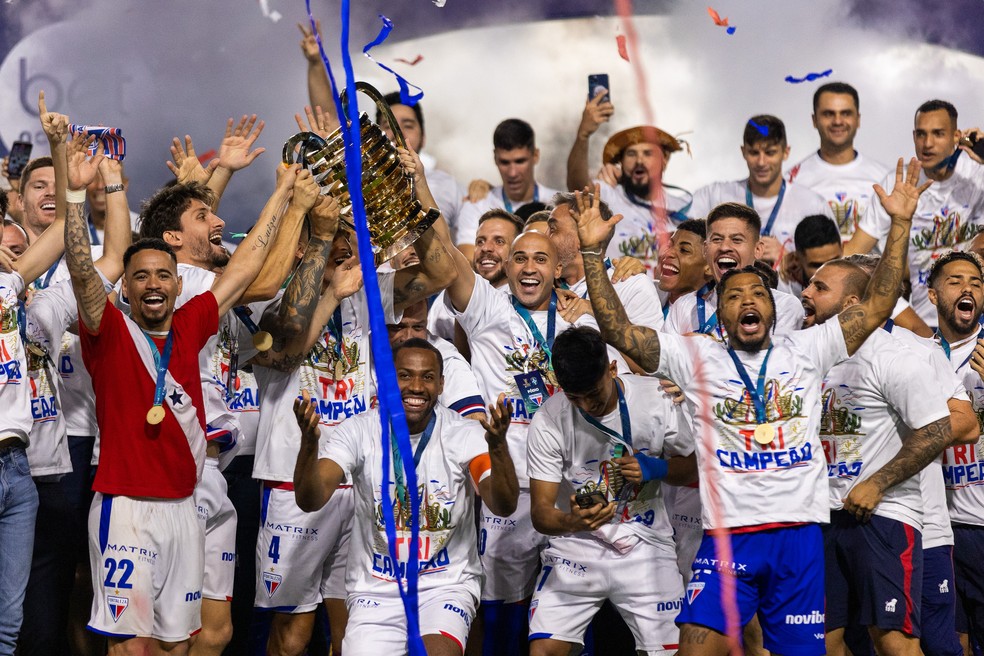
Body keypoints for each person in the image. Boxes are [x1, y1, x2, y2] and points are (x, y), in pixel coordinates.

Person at [571, 155, 929, 655]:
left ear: (772, 304)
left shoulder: (807, 348)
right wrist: (592, 255)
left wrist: (902, 224)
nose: (747, 301)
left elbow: (876, 303)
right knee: (696, 646)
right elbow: (620, 332)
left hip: (798, 538)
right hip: (727, 538)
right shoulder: (696, 355)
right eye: (734, 296)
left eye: (756, 292)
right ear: (720, 312)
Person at [66, 154, 298, 654]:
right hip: (127, 508)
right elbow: (84, 271)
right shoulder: (108, 331)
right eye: (141, 276)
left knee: (180, 644)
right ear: (124, 288)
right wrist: (78, 196)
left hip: (185, 506)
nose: (154, 284)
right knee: (132, 648)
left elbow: (241, 273)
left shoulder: (192, 325)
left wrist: (281, 194)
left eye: (163, 276)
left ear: (178, 283)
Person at [249, 146, 457, 656]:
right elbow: (287, 349)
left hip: (359, 477)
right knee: (292, 634)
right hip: (291, 477)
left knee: (353, 625)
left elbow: (442, 272)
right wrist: (333, 294)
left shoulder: (374, 289)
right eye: (333, 248)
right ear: (305, 249)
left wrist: (418, 192)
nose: (346, 259)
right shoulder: (272, 297)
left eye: (351, 249)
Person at [442, 195, 628, 654]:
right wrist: (422, 183)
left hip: (572, 486)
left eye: (540, 258)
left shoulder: (582, 318)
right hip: (509, 490)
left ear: (556, 268)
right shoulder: (489, 309)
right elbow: (444, 256)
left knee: (569, 618)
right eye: (519, 258)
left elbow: (629, 373)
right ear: (504, 267)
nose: (528, 267)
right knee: (501, 611)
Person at [292, 339, 519, 655]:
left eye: (427, 377)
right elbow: (311, 498)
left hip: (444, 587)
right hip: (376, 590)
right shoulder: (358, 431)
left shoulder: (464, 435)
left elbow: (503, 504)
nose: (416, 386)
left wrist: (498, 449)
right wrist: (309, 445)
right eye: (404, 375)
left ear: (441, 384)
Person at [801, 256, 952, 654]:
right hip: (822, 516)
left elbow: (938, 429)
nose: (806, 292)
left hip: (883, 517)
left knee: (893, 643)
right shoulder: (807, 356)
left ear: (852, 303)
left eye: (819, 287)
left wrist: (877, 482)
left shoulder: (895, 356)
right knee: (824, 642)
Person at [527, 326, 696, 655]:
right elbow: (541, 513)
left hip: (644, 540)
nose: (586, 405)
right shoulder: (548, 419)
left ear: (612, 369)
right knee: (544, 651)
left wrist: (657, 468)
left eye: (593, 393)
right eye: (575, 397)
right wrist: (574, 522)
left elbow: (690, 467)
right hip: (576, 547)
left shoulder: (656, 398)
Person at [0, 93, 75, 656]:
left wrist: (57, 147)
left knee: (10, 623)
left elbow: (69, 222)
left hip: (19, 470)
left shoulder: (9, 288)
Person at [846, 100, 984, 325]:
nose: (927, 143)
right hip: (924, 322)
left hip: (977, 319)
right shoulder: (898, 183)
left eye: (938, 134)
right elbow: (853, 252)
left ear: (956, 136)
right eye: (921, 134)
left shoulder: (977, 174)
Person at [928, 251, 984, 652]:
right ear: (932, 296)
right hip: (937, 526)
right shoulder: (913, 354)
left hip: (981, 522)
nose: (967, 288)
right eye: (955, 281)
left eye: (976, 283)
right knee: (953, 642)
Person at [566, 88, 691, 269]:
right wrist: (583, 136)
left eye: (648, 154)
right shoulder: (607, 196)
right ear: (621, 163)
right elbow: (577, 186)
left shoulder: (683, 207)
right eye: (631, 154)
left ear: (664, 160)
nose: (639, 160)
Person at [689, 115, 832, 263]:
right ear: (743, 151)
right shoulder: (715, 196)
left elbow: (830, 265)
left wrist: (788, 257)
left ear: (786, 152)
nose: (761, 162)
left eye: (770, 153)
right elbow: (672, 229)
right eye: (754, 153)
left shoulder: (812, 204)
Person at [664, 202, 804, 338]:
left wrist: (702, 347)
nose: (724, 247)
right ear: (705, 249)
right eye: (717, 239)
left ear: (758, 249)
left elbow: (770, 359)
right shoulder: (682, 308)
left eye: (736, 240)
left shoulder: (784, 307)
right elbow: (666, 358)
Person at [787, 215, 932, 336]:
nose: (828, 270)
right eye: (817, 265)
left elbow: (921, 332)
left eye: (834, 260)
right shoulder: (785, 289)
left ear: (843, 249)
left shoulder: (864, 284)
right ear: (797, 260)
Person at [547, 191, 664, 332]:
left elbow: (651, 352)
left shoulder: (632, 286)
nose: (544, 236)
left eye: (553, 229)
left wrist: (599, 312)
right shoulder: (541, 286)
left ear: (583, 236)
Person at [786, 82, 890, 239]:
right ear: (814, 120)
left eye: (846, 113)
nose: (837, 121)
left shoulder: (884, 178)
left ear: (858, 119)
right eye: (828, 114)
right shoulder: (791, 180)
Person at [455, 119, 559, 259]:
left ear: (535, 155)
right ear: (495, 158)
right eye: (505, 162)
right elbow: (467, 260)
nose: (512, 173)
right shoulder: (476, 205)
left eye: (520, 161)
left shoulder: (557, 205)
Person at [428, 209, 523, 342]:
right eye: (480, 241)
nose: (486, 248)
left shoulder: (526, 299)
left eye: (499, 241)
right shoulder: (446, 298)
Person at [387, 299, 486, 420]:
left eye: (418, 327)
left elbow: (474, 421)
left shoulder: (444, 357)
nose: (408, 337)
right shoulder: (363, 347)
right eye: (398, 328)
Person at [656, 219, 709, 317]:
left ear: (709, 267)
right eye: (669, 246)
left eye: (684, 250)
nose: (668, 253)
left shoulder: (715, 317)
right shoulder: (646, 291)